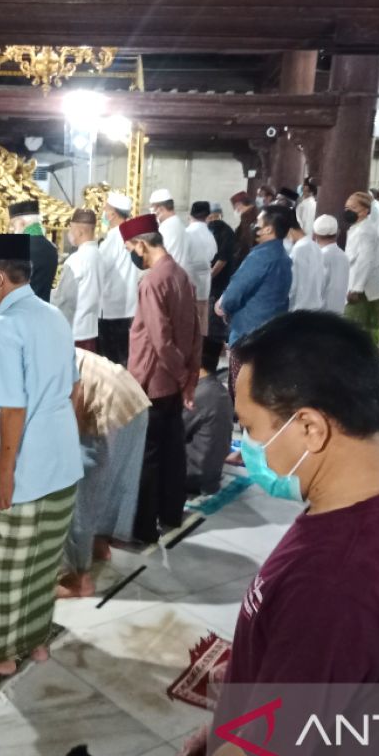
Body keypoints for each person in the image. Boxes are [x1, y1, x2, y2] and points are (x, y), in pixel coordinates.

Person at [166, 310, 379, 756]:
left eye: (252, 428)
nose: (247, 447)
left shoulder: (336, 584)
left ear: (311, 429)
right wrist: (226, 731)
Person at [0, 234, 83, 675]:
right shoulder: (53, 316)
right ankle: (34, 641)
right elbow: (73, 387)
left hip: (28, 464)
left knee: (3, 563)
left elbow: (11, 409)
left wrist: (4, 474)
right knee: (42, 559)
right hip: (64, 457)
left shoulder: (4, 329)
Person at [123, 214, 201, 543]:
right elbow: (197, 332)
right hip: (172, 382)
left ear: (142, 244)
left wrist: (182, 375)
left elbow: (160, 339)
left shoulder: (153, 281)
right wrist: (189, 378)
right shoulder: (180, 274)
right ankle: (170, 513)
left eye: (132, 247)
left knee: (147, 457)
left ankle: (142, 529)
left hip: (152, 381)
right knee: (172, 451)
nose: (133, 254)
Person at [58, 349, 150, 597]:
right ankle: (100, 544)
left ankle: (80, 579)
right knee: (109, 482)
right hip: (132, 399)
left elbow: (71, 410)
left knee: (80, 493)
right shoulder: (53, 343)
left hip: (111, 403)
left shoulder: (48, 359)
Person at [217, 205, 293, 399]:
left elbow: (236, 291)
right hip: (271, 330)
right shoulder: (282, 256)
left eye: (258, 223)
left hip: (248, 333)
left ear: (268, 229)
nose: (254, 226)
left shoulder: (261, 256)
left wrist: (223, 305)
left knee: (244, 391)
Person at [96, 191, 140, 366]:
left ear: (113, 213)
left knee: (111, 359)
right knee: (123, 353)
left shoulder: (114, 237)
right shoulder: (131, 234)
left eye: (106, 209)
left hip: (111, 305)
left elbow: (101, 268)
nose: (104, 213)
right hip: (127, 304)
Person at [183, 344, 233, 497]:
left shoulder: (199, 394)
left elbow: (169, 432)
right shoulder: (217, 388)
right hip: (211, 472)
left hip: (193, 475)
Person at [342, 191, 379, 347]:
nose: (348, 211)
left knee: (356, 332)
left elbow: (364, 261)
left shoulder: (365, 231)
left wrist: (356, 288)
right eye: (347, 207)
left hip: (364, 292)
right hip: (364, 290)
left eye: (353, 208)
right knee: (365, 333)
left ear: (365, 211)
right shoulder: (357, 228)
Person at [63, 208, 103, 350]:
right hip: (91, 329)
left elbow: (64, 300)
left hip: (74, 332)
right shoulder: (99, 255)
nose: (70, 233)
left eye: (71, 229)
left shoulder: (75, 260)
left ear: (79, 231)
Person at [8, 199, 58, 302]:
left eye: (14, 225)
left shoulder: (19, 249)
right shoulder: (52, 249)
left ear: (22, 223)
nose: (12, 229)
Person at [205, 217, 238, 362]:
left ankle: (214, 354)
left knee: (215, 324)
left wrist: (208, 277)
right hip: (220, 285)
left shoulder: (223, 237)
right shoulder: (227, 234)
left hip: (218, 287)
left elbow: (221, 262)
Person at [185, 200, 219, 328]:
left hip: (188, 280)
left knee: (188, 321)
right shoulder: (209, 235)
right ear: (208, 217)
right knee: (202, 319)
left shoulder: (187, 233)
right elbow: (213, 253)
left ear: (190, 216)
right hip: (205, 281)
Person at [286, 213, 326, 311]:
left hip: (300, 307)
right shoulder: (314, 245)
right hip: (315, 304)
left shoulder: (299, 249)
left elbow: (293, 284)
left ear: (290, 230)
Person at [314, 214, 349, 315]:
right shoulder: (344, 256)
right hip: (338, 313)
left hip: (320, 315)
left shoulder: (319, 257)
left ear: (315, 234)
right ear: (338, 233)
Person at [149, 188, 187, 266]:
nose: (151, 211)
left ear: (161, 209)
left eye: (152, 207)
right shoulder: (178, 223)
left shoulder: (167, 228)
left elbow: (158, 256)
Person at [230, 190, 258, 266]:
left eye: (235, 207)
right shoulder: (256, 214)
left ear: (239, 204)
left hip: (248, 259)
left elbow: (246, 241)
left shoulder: (248, 217)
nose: (235, 210)